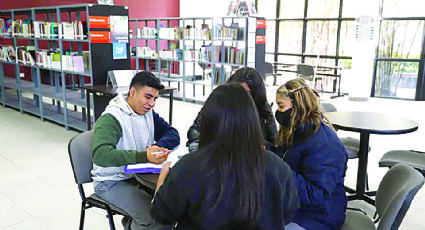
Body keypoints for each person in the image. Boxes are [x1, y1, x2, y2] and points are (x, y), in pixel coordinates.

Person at [150, 83, 299, 229]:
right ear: (252, 119)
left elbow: (162, 214)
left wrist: (161, 185)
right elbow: (288, 212)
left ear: (208, 120)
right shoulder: (277, 166)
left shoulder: (188, 167)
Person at [91, 71, 180, 230]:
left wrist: (157, 146)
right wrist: (143, 155)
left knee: (171, 209)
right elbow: (100, 155)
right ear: (132, 92)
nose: (152, 103)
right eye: (148, 97)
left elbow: (172, 133)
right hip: (111, 180)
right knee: (155, 219)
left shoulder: (147, 112)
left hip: (138, 175)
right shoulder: (111, 118)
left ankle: (132, 224)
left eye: (155, 99)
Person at [273, 78, 348, 230]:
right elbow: (285, 156)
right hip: (296, 206)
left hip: (319, 216)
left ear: (298, 107)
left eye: (281, 106)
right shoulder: (296, 130)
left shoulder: (325, 144)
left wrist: (280, 169)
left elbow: (316, 195)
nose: (278, 112)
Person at [186, 67, 276, 152]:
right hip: (216, 157)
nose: (241, 96)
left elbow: (274, 143)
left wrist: (255, 145)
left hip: (250, 160)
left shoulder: (263, 109)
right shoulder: (217, 102)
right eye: (237, 90)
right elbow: (194, 133)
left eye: (247, 93)